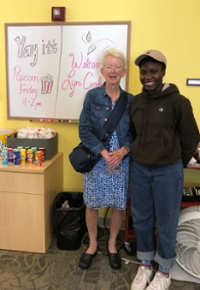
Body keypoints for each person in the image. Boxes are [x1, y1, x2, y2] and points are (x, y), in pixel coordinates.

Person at [130, 49, 199, 290]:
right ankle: (146, 265)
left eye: (153, 71)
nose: (148, 76)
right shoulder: (136, 102)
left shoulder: (178, 101)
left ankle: (165, 271)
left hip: (167, 171)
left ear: (163, 72)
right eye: (143, 72)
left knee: (167, 221)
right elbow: (134, 134)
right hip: (139, 169)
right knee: (141, 218)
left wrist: (176, 163)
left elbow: (192, 137)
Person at [78, 48, 134, 270]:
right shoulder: (92, 96)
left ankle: (112, 245)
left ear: (124, 71)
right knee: (92, 203)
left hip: (120, 160)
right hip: (97, 157)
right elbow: (84, 130)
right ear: (101, 70)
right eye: (109, 66)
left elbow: (133, 133)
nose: (113, 70)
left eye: (117, 67)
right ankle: (92, 245)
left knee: (118, 204)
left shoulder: (130, 100)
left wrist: (122, 152)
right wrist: (103, 152)